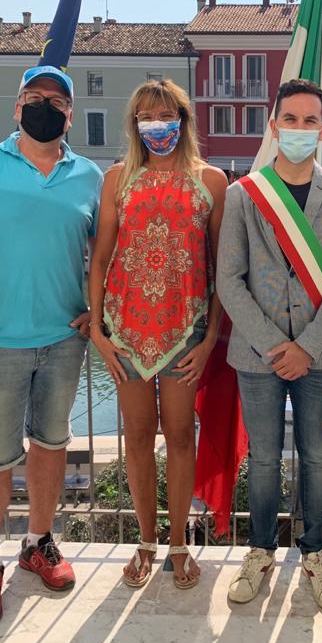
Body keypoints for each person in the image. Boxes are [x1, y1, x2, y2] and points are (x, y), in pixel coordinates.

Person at [0, 66, 102, 625]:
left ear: (70, 115)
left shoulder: (90, 176)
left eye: (56, 101)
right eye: (34, 98)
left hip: (64, 339)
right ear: (17, 108)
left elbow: (101, 253)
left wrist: (96, 310)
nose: (44, 107)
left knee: (51, 444)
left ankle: (38, 542)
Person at [216, 79, 322, 612]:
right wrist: (278, 346)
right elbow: (229, 279)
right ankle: (259, 550)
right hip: (258, 355)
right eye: (290, 119)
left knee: (318, 457)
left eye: (310, 121)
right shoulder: (243, 195)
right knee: (262, 459)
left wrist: (307, 346)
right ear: (273, 125)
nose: (299, 129)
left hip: (318, 353)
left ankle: (316, 552)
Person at [88, 79, 227, 589]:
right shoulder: (117, 180)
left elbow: (220, 267)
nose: (157, 125)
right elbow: (101, 256)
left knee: (181, 437)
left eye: (166, 115)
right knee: (139, 436)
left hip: (183, 333)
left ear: (184, 120)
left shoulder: (211, 181)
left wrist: (210, 336)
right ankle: (146, 541)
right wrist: (99, 330)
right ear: (134, 124)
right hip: (126, 334)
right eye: (147, 117)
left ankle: (179, 546)